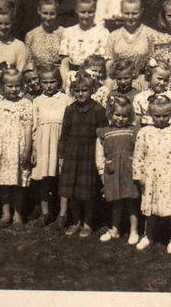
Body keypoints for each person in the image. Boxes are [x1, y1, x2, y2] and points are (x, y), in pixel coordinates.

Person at [133, 95, 171, 253]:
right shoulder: (144, 132)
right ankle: (148, 235)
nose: (161, 119)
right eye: (157, 116)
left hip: (170, 176)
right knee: (149, 207)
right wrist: (139, 176)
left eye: (165, 115)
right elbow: (138, 155)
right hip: (151, 175)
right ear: (150, 115)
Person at [57, 72, 109, 237]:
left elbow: (103, 135)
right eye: (77, 90)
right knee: (73, 192)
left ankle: (88, 222)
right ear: (73, 91)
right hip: (72, 154)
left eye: (84, 90)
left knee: (87, 192)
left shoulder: (98, 109)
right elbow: (64, 135)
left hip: (89, 154)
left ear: (92, 90)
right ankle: (76, 221)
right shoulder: (70, 110)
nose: (80, 94)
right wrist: (61, 156)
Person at [0, 69, 34, 231]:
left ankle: (18, 214)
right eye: (9, 86)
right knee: (4, 182)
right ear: (2, 86)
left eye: (17, 86)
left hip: (18, 148)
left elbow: (28, 129)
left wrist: (27, 150)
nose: (13, 89)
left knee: (18, 183)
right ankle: (5, 213)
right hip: (2, 148)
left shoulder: (26, 104)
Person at [30, 66, 73, 228]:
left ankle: (63, 214)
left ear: (59, 82)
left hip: (60, 141)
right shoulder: (37, 101)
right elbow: (34, 126)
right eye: (45, 82)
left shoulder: (66, 99)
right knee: (44, 179)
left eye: (52, 82)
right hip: (42, 143)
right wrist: (34, 149)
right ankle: (45, 212)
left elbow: (69, 124)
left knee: (62, 179)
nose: (49, 85)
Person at [96, 96, 140, 245]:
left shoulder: (133, 131)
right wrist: (102, 170)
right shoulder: (104, 132)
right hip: (112, 171)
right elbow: (99, 154)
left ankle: (134, 231)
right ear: (110, 114)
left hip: (129, 171)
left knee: (131, 201)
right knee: (116, 201)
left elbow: (139, 151)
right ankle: (114, 229)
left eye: (125, 116)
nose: (121, 119)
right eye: (118, 115)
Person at [106, 0, 160, 89]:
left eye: (134, 13)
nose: (130, 17)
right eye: (127, 13)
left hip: (142, 83)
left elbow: (156, 62)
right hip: (119, 83)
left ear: (141, 12)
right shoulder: (114, 36)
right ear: (121, 12)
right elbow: (109, 62)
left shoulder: (151, 35)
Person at [58, 0, 109, 90]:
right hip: (73, 80)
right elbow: (65, 62)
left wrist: (106, 87)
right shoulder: (68, 32)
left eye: (90, 12)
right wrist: (66, 83)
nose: (86, 16)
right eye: (83, 12)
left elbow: (106, 64)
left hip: (95, 81)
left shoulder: (102, 32)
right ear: (76, 11)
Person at [24, 0, 64, 68]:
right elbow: (29, 61)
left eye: (52, 14)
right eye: (45, 13)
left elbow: (65, 62)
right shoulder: (31, 35)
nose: (48, 18)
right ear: (39, 11)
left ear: (57, 13)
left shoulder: (63, 33)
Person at [133, 59, 171, 126]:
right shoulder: (140, 97)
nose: (162, 83)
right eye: (159, 79)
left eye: (166, 80)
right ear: (149, 76)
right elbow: (137, 121)